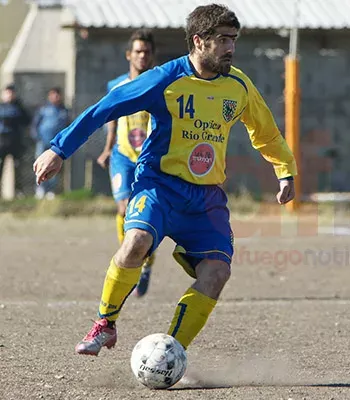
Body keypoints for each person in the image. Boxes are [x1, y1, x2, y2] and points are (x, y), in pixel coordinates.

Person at [33, 3, 297, 356]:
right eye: (223, 40)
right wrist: (58, 149)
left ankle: (171, 352)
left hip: (206, 199)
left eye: (234, 39)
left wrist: (285, 170)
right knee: (137, 240)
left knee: (217, 272)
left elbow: (265, 132)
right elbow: (106, 108)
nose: (231, 48)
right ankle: (104, 324)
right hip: (159, 185)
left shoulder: (238, 86)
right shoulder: (165, 79)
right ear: (199, 41)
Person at [96, 29, 157, 297]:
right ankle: (130, 261)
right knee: (123, 209)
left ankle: (145, 265)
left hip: (149, 158)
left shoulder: (159, 83)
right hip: (122, 156)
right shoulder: (116, 86)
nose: (142, 56)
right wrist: (108, 148)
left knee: (147, 217)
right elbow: (111, 117)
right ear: (128, 55)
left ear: (151, 55)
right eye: (138, 51)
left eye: (146, 52)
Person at [31, 87, 70, 199]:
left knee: (53, 167)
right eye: (53, 94)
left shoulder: (64, 111)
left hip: (56, 145)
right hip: (42, 142)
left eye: (57, 95)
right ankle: (40, 188)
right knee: (40, 165)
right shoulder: (43, 109)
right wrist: (37, 137)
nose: (55, 97)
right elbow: (35, 125)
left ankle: (51, 190)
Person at [0, 84, 30, 197]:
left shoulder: (19, 107)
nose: (10, 95)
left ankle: (18, 191)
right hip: (1, 142)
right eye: (7, 93)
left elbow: (27, 121)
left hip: (15, 142)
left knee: (17, 167)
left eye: (11, 93)